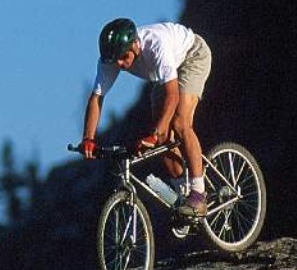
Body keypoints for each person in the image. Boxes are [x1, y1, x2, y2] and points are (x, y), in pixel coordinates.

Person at [80, 18, 212, 216]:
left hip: (191, 56)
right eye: (115, 60)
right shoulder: (111, 58)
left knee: (179, 123)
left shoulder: (156, 45)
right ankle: (183, 195)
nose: (119, 64)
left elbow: (173, 95)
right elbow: (96, 98)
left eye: (124, 57)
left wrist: (156, 132)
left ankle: (198, 193)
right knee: (162, 138)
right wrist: (88, 138)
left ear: (136, 44)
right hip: (163, 76)